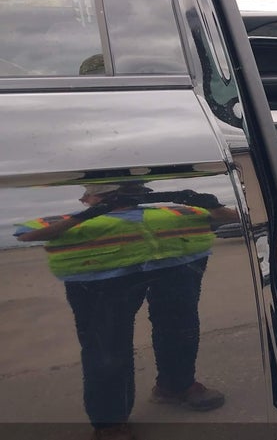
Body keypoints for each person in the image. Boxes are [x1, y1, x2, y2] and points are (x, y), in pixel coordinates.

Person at [15, 182, 238, 440]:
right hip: (100, 280)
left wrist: (210, 204)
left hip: (174, 269)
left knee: (180, 330)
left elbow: (232, 218)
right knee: (107, 346)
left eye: (121, 193)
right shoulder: (74, 219)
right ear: (88, 199)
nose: (114, 198)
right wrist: (90, 214)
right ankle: (110, 422)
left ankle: (176, 386)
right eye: (103, 195)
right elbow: (27, 235)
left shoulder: (170, 212)